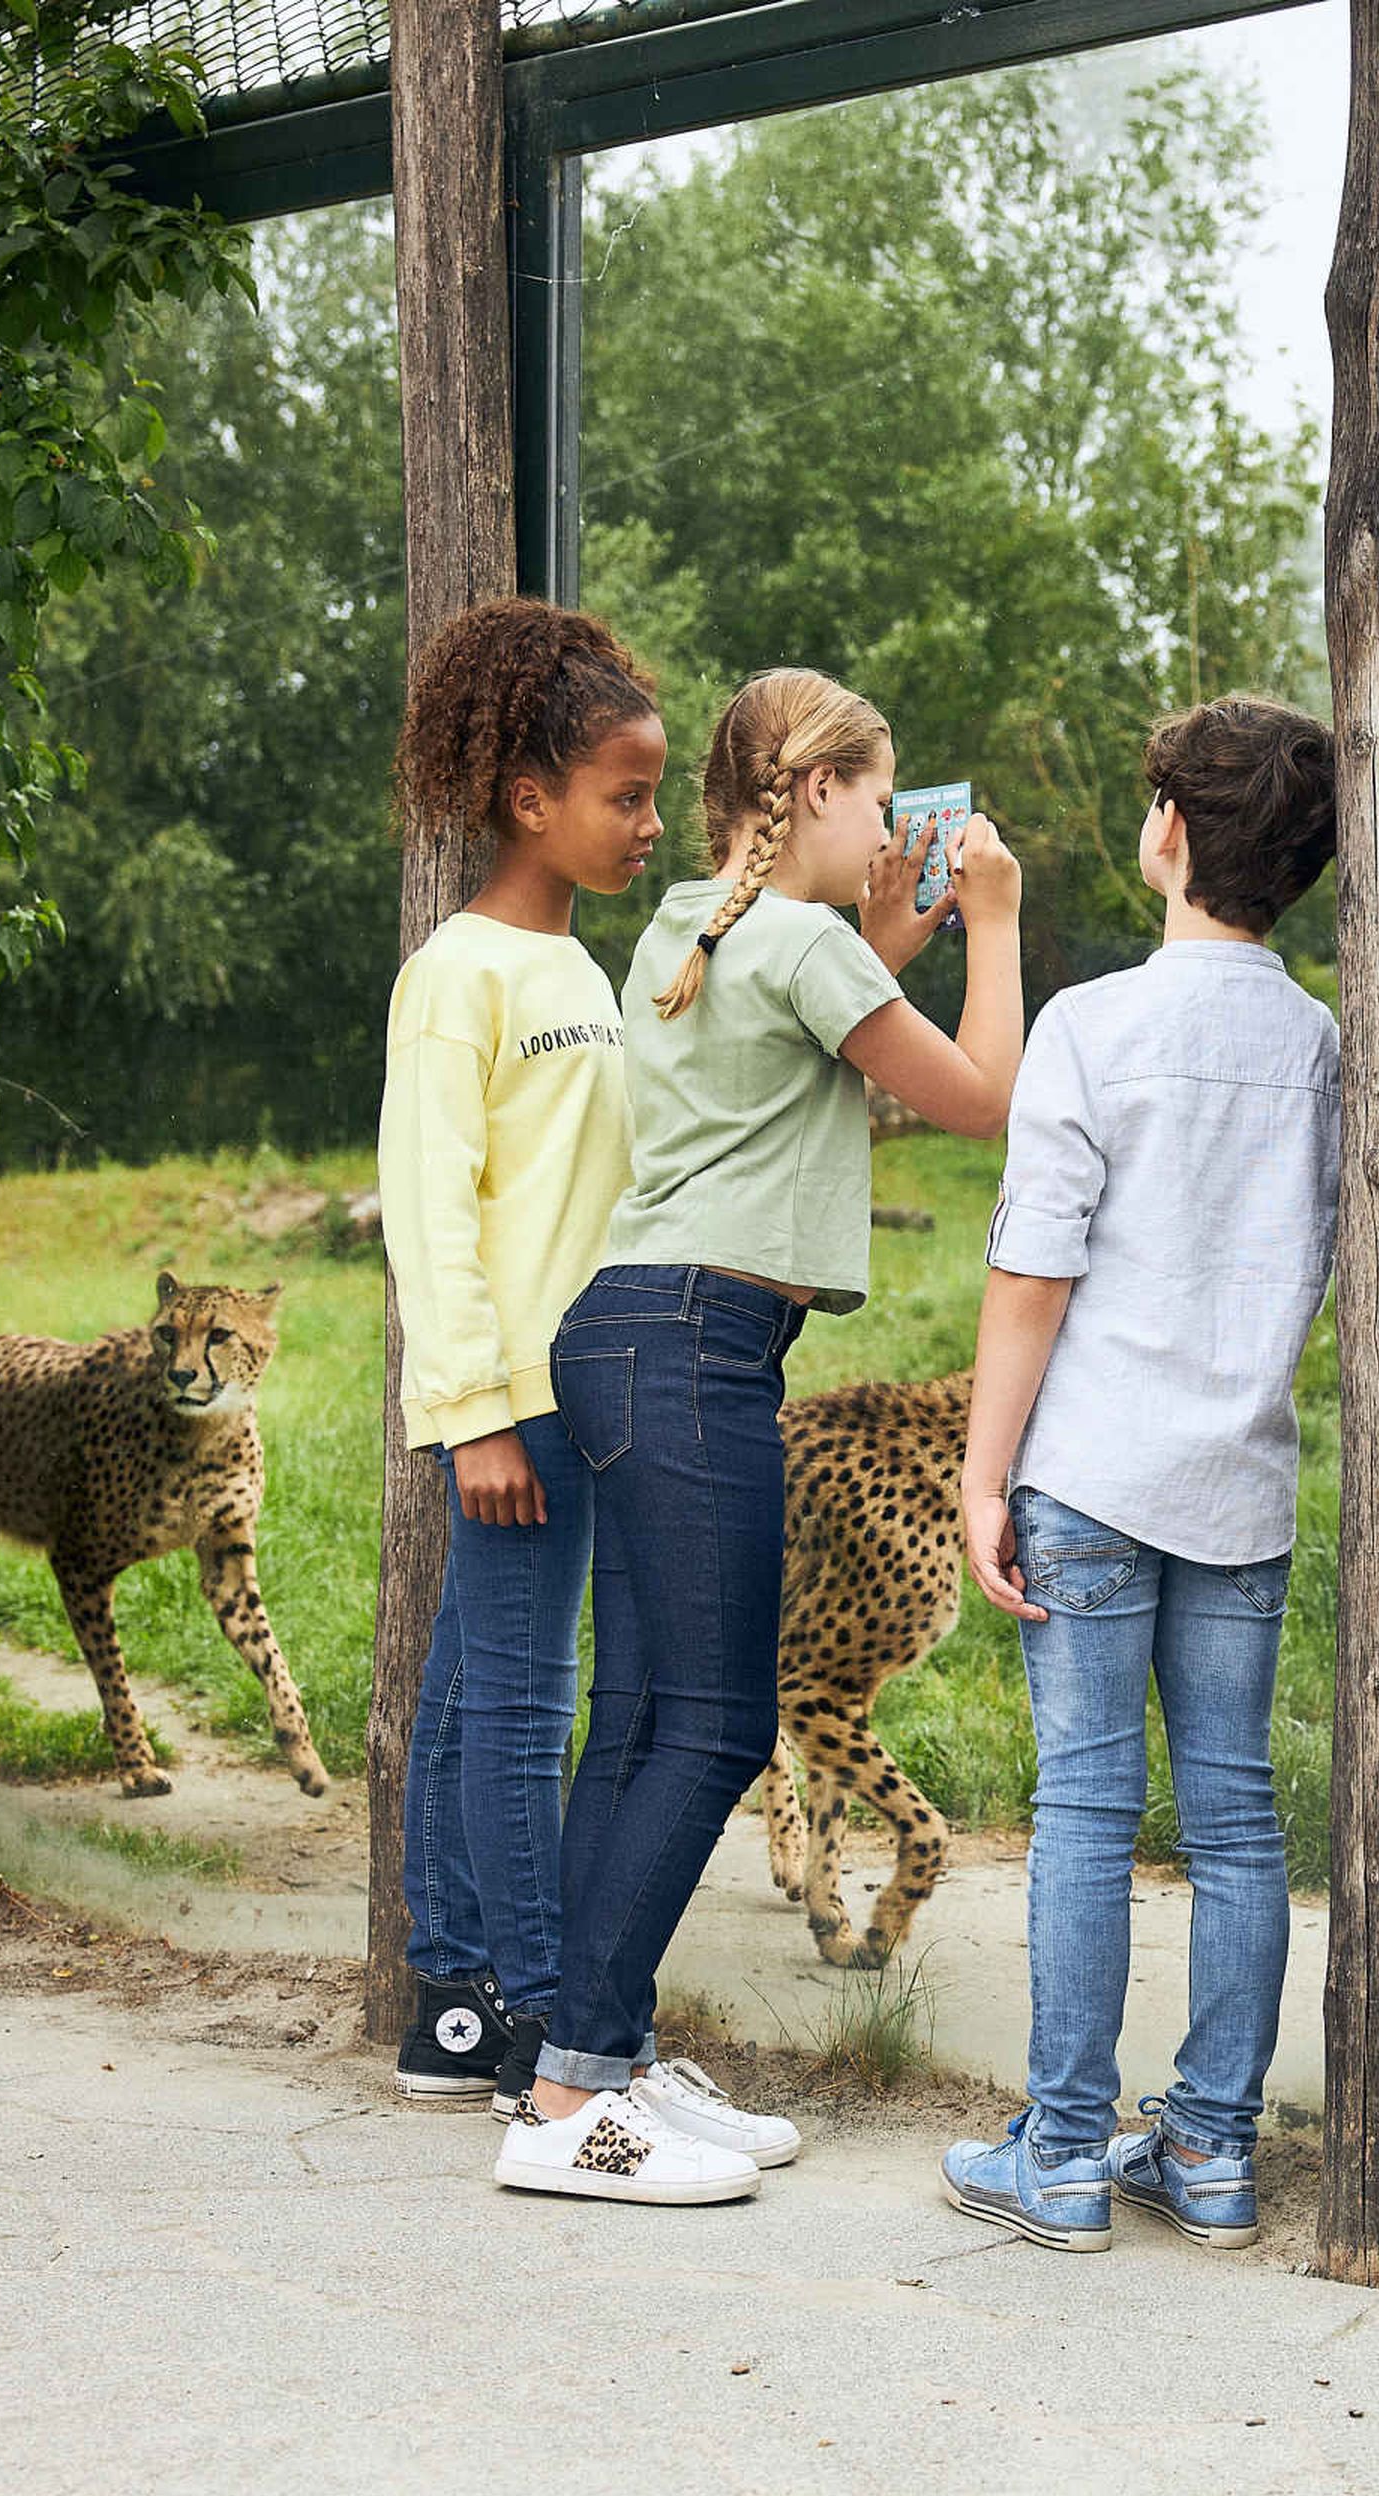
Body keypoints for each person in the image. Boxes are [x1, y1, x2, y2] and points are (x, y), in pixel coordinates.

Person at [497, 667, 1028, 2205]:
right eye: (878, 792)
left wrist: (893, 929)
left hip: (628, 1336)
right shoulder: (792, 940)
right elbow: (981, 1095)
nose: (891, 819)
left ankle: (589, 2060)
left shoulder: (695, 923)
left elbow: (807, 993)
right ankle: (573, 2103)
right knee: (720, 1724)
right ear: (811, 792)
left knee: (649, 1715)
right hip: (695, 1346)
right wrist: (988, 918)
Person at [939, 695, 1341, 2252]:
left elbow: (1033, 1273)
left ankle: (1059, 2155)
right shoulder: (1322, 1048)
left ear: (1170, 831)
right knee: (1237, 1819)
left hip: (1091, 1479)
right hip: (1240, 1489)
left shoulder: (1091, 1026)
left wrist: (985, 1479)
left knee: (1088, 1810)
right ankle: (1216, 2154)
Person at [374, 599, 663, 2116]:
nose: (648, 823)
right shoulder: (462, 974)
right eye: (625, 796)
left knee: (471, 1689)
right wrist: (480, 1417)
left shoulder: (586, 974)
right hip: (519, 1410)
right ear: (527, 798)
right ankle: (543, 2016)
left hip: (582, 1394)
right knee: (524, 1701)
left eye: (656, 794)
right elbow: (434, 1218)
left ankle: (454, 2004)